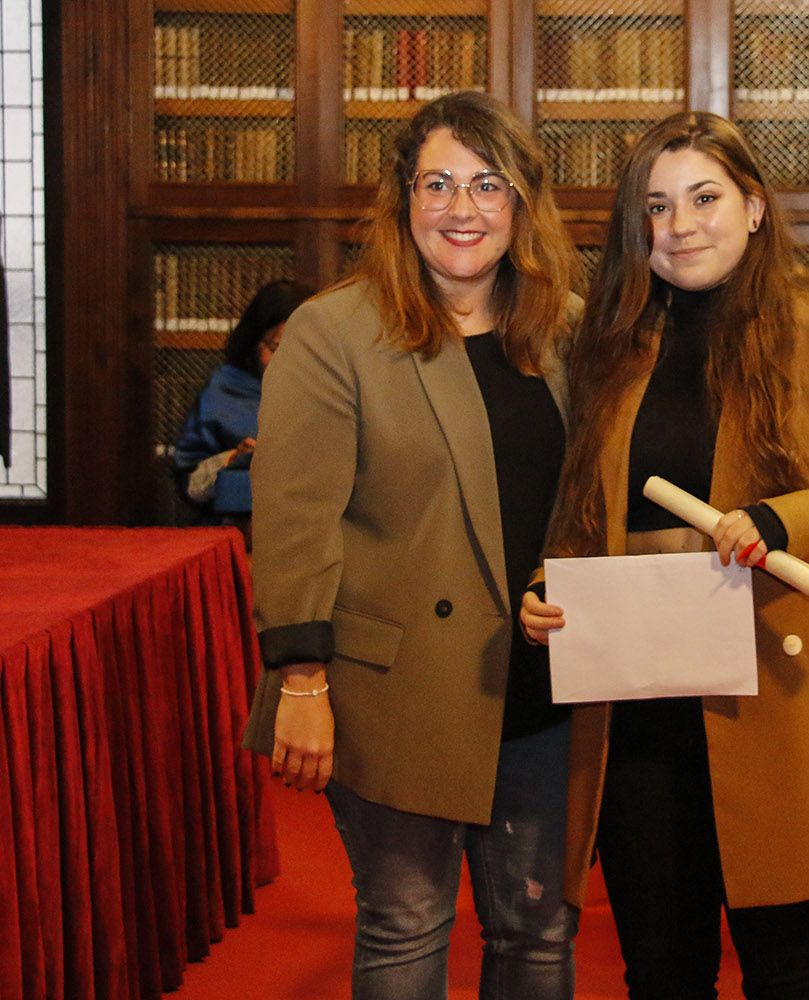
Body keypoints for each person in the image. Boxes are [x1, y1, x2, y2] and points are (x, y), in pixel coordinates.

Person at [521, 110, 809, 999]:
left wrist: (786, 522)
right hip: (637, 706)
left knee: (788, 976)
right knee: (661, 976)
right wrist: (540, 590)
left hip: (778, 698)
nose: (679, 225)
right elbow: (578, 515)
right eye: (656, 206)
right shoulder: (609, 348)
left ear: (754, 207)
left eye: (704, 198)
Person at [241, 91, 581, 1000]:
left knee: (540, 932)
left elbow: (589, 500)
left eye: (487, 185)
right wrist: (301, 682)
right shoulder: (335, 331)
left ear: (521, 204)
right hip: (394, 690)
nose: (462, 209)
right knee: (405, 927)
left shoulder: (566, 331)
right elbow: (292, 521)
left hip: (543, 686)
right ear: (402, 200)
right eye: (438, 183)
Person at [172, 278, 314, 514]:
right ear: (254, 342)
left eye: (303, 349)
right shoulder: (225, 391)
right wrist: (233, 459)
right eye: (277, 348)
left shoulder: (333, 390)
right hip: (239, 532)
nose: (289, 363)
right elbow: (188, 483)